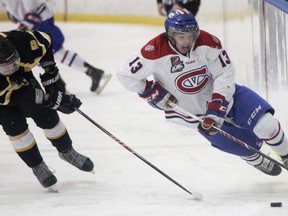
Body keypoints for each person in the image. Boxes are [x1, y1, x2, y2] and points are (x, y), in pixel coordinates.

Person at [116, 9, 288, 176]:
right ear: (170, 34)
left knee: (267, 125)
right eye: (181, 36)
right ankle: (254, 159)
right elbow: (124, 74)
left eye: (191, 36)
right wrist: (150, 92)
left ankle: (286, 155)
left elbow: (224, 73)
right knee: (239, 146)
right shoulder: (154, 51)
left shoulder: (207, 42)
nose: (187, 42)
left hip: (228, 96)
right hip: (194, 112)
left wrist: (218, 104)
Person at [0, 29, 94, 191]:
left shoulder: (23, 42)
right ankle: (37, 166)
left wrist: (50, 75)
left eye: (13, 61)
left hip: (22, 80)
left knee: (47, 116)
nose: (12, 67)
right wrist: (53, 100)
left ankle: (67, 151)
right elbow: (25, 97)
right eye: (6, 67)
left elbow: (46, 40)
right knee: (15, 128)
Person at [1, 0, 112, 94]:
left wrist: (30, 18)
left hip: (41, 21)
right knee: (39, 55)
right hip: (31, 22)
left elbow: (39, 5)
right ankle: (61, 84)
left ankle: (93, 73)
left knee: (56, 52)